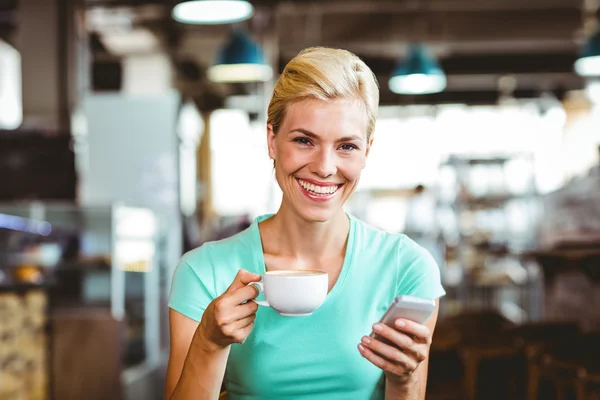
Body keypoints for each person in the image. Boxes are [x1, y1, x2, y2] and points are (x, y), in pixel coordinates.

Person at [165, 47, 445, 400]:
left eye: (346, 146)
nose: (325, 167)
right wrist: (208, 342)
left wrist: (405, 381)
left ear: (367, 153)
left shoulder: (406, 267)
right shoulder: (205, 271)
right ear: (272, 140)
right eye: (304, 140)